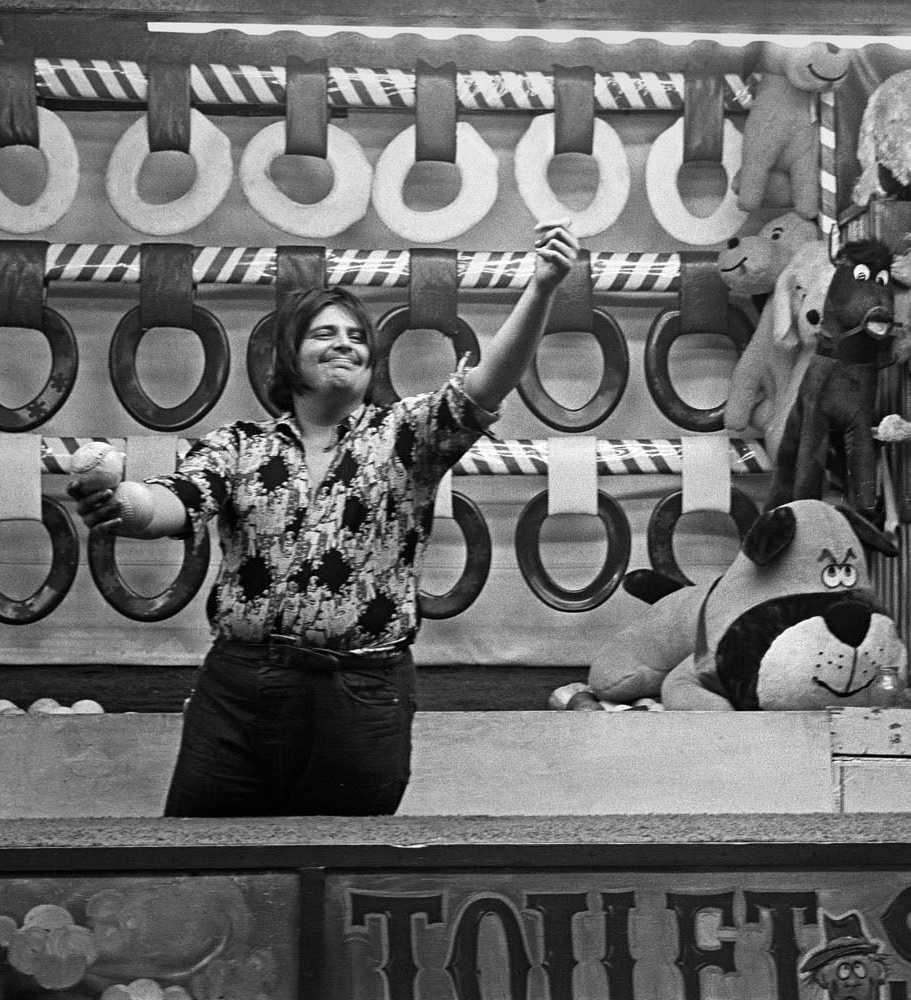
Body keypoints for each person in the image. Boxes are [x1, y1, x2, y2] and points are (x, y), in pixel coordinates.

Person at [70, 221, 580, 817]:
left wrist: (543, 286)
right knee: (202, 867)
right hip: (239, 691)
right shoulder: (239, 446)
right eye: (325, 334)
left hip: (360, 694)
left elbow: (485, 387)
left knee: (338, 874)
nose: (346, 344)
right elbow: (177, 500)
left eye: (357, 336)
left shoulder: (405, 437)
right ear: (291, 354)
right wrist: (121, 504)